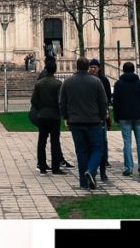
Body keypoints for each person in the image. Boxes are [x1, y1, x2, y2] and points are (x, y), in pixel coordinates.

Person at [59, 57, 109, 190]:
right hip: (93, 121)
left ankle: (83, 182)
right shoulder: (96, 81)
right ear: (88, 67)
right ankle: (91, 171)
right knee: (98, 149)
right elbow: (103, 101)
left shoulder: (67, 82)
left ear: (76, 66)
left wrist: (66, 117)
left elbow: (62, 103)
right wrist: (102, 116)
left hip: (75, 122)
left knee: (81, 152)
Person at [112, 62, 140, 178]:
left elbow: (116, 102)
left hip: (124, 116)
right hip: (138, 115)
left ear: (123, 70)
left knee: (127, 142)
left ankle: (128, 167)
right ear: (133, 70)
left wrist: (116, 117)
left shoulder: (119, 84)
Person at [30, 60, 65, 175]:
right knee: (55, 141)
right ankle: (55, 168)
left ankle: (42, 167)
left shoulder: (39, 83)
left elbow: (33, 100)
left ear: (45, 69)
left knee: (42, 141)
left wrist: (40, 108)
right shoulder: (58, 83)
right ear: (55, 70)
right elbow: (60, 101)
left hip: (43, 115)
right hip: (54, 116)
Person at [87, 59, 112, 180]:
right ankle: (93, 169)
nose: (93, 69)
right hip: (91, 116)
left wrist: (106, 113)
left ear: (99, 68)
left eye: (95, 67)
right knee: (93, 145)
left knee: (102, 144)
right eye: (91, 67)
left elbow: (107, 99)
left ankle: (103, 169)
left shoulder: (104, 80)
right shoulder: (86, 80)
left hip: (100, 117)